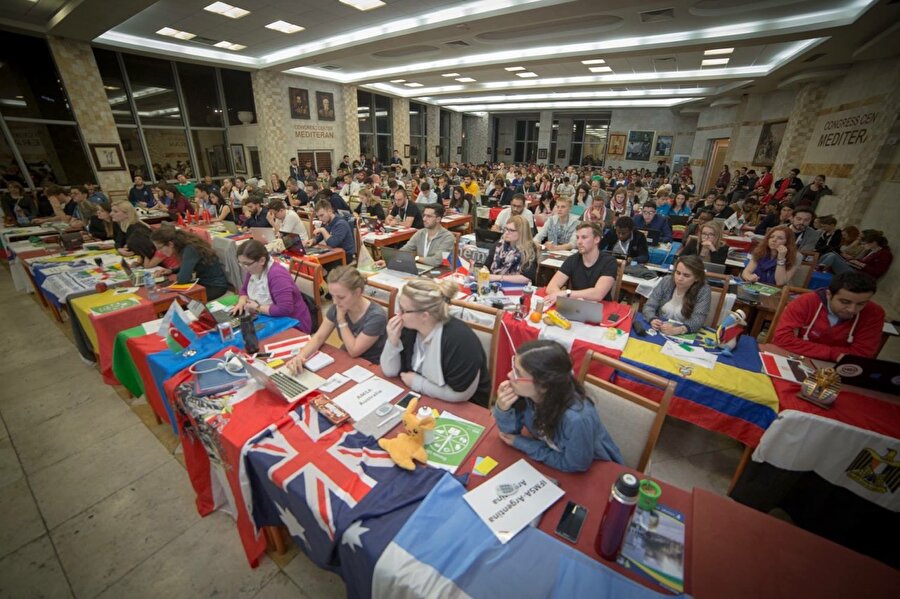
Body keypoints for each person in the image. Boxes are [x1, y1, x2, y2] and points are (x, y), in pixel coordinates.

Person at [493, 339, 623, 472]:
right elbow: (508, 435)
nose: (509, 375)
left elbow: (576, 465)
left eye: (518, 373)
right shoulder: (528, 395)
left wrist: (525, 444)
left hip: (597, 470)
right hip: (553, 456)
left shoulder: (577, 419)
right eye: (513, 368)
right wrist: (503, 409)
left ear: (544, 385)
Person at [380, 278, 490, 406]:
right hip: (423, 400)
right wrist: (392, 342)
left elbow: (461, 394)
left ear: (424, 316)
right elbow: (390, 371)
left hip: (461, 408)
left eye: (403, 310)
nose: (398, 314)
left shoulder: (460, 340)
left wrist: (418, 383)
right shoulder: (408, 329)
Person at [287, 267, 387, 370]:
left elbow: (354, 351)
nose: (335, 302)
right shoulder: (339, 307)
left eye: (341, 297)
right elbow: (319, 337)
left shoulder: (376, 316)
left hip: (372, 365)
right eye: (332, 296)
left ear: (357, 292)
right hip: (347, 357)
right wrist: (300, 356)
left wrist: (341, 320)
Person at [773, 271, 885, 361]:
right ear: (828, 294)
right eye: (845, 302)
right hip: (796, 358)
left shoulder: (875, 313)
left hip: (836, 368)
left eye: (861, 304)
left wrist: (809, 348)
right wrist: (834, 354)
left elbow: (863, 354)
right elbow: (782, 339)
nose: (852, 309)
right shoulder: (805, 302)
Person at [231, 240, 312, 332]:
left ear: (262, 260)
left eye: (246, 264)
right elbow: (244, 290)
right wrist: (241, 302)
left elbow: (285, 309)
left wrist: (257, 308)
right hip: (267, 315)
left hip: (292, 322)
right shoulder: (254, 269)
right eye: (240, 263)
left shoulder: (277, 276)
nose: (244, 267)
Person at [547, 222, 619, 303]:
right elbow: (551, 286)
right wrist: (566, 298)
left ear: (597, 239)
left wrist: (567, 293)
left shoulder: (609, 262)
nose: (579, 242)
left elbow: (598, 294)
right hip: (576, 305)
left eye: (584, 237)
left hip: (601, 308)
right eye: (577, 237)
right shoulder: (572, 259)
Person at [150, 227, 228, 299]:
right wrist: (172, 271)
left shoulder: (190, 250)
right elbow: (188, 266)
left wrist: (178, 274)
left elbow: (182, 279)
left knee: (177, 300)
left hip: (214, 287)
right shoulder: (185, 246)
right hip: (202, 283)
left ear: (170, 244)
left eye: (159, 248)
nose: (159, 252)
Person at [642, 256, 712, 334]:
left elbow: (698, 319)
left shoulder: (703, 290)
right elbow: (649, 305)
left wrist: (678, 330)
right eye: (678, 273)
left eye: (686, 275)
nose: (679, 278)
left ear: (697, 278)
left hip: (684, 333)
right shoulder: (666, 281)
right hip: (660, 328)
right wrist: (652, 319)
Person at [818, 230, 892, 280]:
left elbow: (877, 272)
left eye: (864, 244)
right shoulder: (871, 251)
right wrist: (852, 261)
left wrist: (859, 263)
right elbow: (862, 262)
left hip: (860, 277)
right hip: (855, 269)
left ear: (874, 242)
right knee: (832, 253)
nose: (863, 246)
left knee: (833, 256)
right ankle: (817, 267)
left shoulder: (884, 254)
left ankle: (818, 270)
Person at [490, 215, 537, 284]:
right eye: (506, 229)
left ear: (522, 233)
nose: (506, 233)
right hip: (495, 284)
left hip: (517, 288)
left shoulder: (530, 249)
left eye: (511, 230)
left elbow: (526, 278)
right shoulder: (499, 244)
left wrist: (497, 277)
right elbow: (486, 266)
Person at [312, 199, 355, 263]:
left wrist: (322, 230)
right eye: (318, 216)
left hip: (345, 256)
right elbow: (320, 236)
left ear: (330, 211)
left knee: (317, 264)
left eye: (321, 215)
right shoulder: (326, 221)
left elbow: (333, 243)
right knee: (311, 262)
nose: (320, 219)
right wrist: (313, 240)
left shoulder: (341, 224)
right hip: (333, 253)